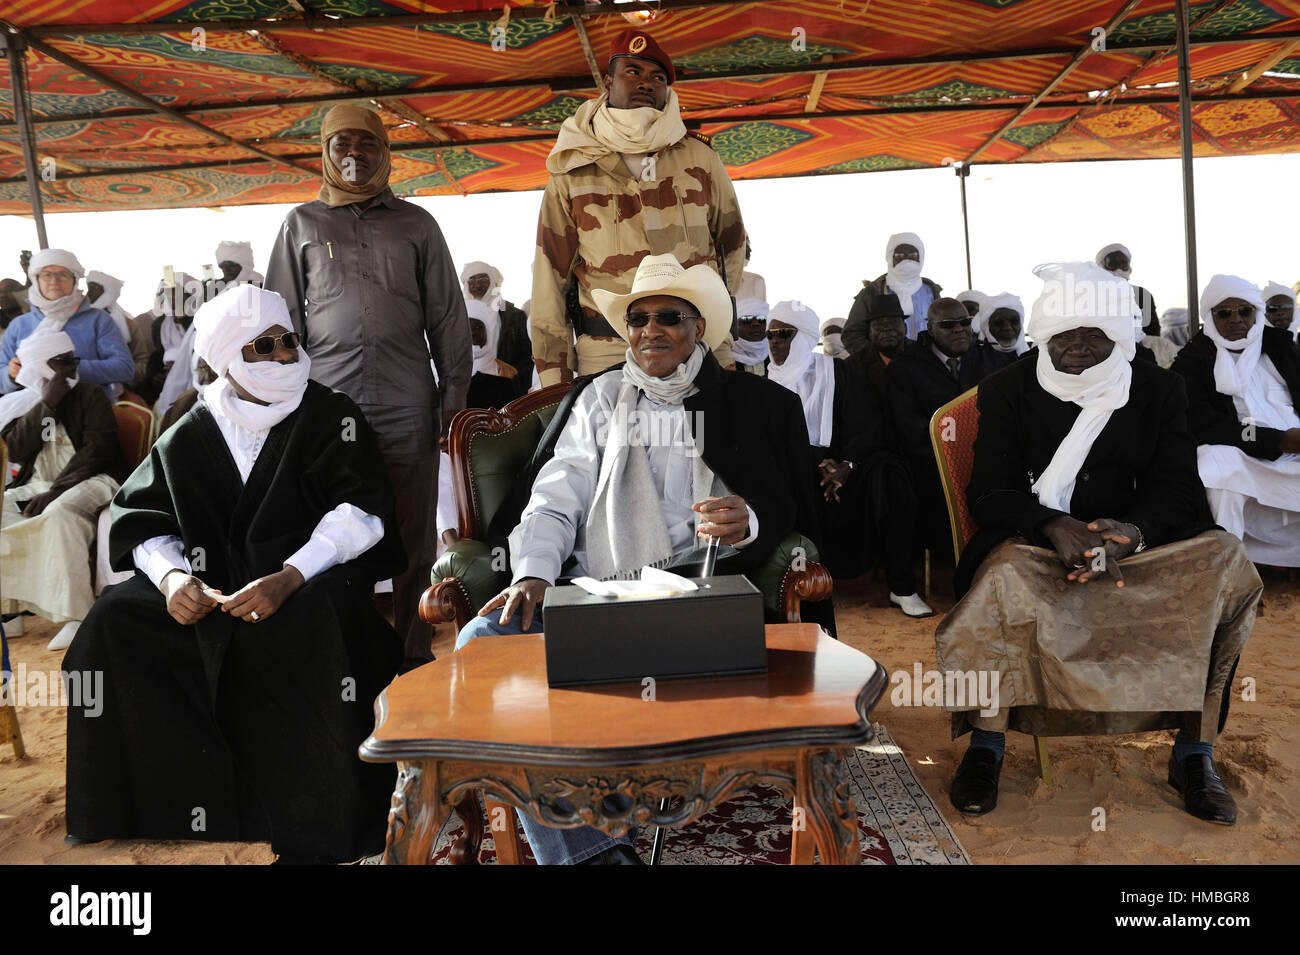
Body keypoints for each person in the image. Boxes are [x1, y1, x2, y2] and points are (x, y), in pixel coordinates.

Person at [456, 254, 820, 864]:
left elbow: (786, 503)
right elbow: (554, 498)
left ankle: (594, 841)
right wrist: (533, 574)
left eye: (669, 317)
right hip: (589, 591)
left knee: (612, 670)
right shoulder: (597, 399)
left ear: (698, 328)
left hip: (689, 597)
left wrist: (749, 520)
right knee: (482, 644)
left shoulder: (754, 405)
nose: (651, 330)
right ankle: (596, 850)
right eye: (638, 318)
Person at [64, 284, 405, 864]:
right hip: (214, 587)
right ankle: (126, 806)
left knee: (324, 617)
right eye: (263, 346)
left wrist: (290, 576)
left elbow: (361, 513)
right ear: (227, 358)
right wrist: (174, 580)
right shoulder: (190, 429)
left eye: (288, 340)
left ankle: (327, 812)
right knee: (113, 619)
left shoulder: (333, 415)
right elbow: (141, 517)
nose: (284, 355)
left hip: (307, 581)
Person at [937, 261, 1259, 826]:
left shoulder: (1160, 388)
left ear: (1120, 337)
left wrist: (1132, 532)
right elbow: (989, 491)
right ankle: (985, 746)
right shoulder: (1007, 388)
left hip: (1138, 546)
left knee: (1224, 561)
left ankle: (1194, 753)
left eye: (1095, 334)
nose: (1079, 346)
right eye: (1066, 333)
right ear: (1044, 333)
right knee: (1000, 577)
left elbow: (1179, 488)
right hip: (1035, 545)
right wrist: (1050, 524)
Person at [264, 102, 471, 667]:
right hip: (328, 408)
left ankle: (411, 655)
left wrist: (452, 405)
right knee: (331, 528)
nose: (355, 154)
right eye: (343, 144)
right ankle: (344, 656)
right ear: (325, 153)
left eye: (368, 143)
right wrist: (283, 406)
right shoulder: (301, 224)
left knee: (412, 535)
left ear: (386, 153)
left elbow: (447, 319)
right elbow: (281, 323)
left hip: (408, 405)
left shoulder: (417, 224)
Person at [530, 28, 746, 386]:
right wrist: (554, 375)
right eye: (633, 72)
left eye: (657, 77)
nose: (646, 83)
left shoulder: (700, 157)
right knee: (615, 427)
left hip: (695, 346)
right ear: (607, 82)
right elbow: (549, 278)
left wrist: (711, 321)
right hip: (608, 352)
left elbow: (732, 245)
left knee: (703, 425)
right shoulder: (573, 167)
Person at [767, 300, 932, 617]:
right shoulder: (764, 382)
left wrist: (847, 465)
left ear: (803, 337)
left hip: (843, 468)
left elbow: (866, 427)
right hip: (791, 472)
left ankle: (902, 587)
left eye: (784, 334)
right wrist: (813, 462)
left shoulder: (839, 371)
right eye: (771, 334)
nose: (775, 342)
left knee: (891, 474)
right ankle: (792, 586)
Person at [1, 331, 128, 650]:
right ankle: (8, 612)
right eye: (62, 362)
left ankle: (78, 617)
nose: (72, 367)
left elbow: (98, 451)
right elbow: (15, 449)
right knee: (2, 509)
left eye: (73, 360)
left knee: (59, 514)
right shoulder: (27, 402)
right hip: (42, 484)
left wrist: (56, 491)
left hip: (96, 479)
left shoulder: (90, 395)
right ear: (40, 366)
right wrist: (47, 403)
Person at [1170, 275, 1300, 567]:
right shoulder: (1193, 360)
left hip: (1295, 450)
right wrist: (1277, 440)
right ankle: (1228, 568)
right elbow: (1204, 425)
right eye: (1224, 313)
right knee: (1214, 463)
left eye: (1244, 311)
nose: (1236, 320)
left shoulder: (1282, 349)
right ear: (1210, 317)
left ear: (1256, 312)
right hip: (1244, 454)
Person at [885, 296, 1004, 553]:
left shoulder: (991, 360)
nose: (959, 329)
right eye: (948, 325)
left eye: (964, 322)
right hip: (934, 466)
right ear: (930, 329)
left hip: (990, 459)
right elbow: (910, 430)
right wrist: (952, 460)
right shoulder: (905, 369)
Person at [2, 249, 133, 397]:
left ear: (74, 280)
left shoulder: (98, 320)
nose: (54, 281)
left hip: (88, 407)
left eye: (63, 275)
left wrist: (70, 368)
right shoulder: (19, 325)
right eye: (47, 275)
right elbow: (1, 380)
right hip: (31, 409)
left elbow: (124, 368)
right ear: (36, 280)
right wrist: (11, 374)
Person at [843, 233, 943, 352]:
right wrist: (879, 358)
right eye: (900, 255)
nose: (906, 260)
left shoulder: (931, 291)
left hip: (928, 361)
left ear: (921, 257)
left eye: (912, 255)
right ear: (890, 257)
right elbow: (852, 335)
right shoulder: (872, 292)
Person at [461, 261, 531, 398]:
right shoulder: (457, 316)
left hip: (507, 386)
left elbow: (526, 357)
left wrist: (514, 381)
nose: (477, 284)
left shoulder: (514, 316)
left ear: (493, 282)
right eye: (472, 280)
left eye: (483, 279)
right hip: (466, 387)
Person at [138, 272, 203, 408]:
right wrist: (156, 375)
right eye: (166, 292)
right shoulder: (160, 325)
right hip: (171, 383)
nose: (170, 296)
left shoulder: (202, 319)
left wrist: (182, 365)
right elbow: (159, 354)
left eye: (175, 291)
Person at [86, 270, 151, 392]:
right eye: (89, 287)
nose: (89, 293)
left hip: (120, 390)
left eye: (95, 288)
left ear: (108, 292)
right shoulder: (77, 321)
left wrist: (117, 372)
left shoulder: (129, 325)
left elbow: (142, 363)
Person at [1096, 243, 1158, 335]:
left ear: (1129, 267)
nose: (1119, 268)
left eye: (1123, 263)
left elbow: (1153, 331)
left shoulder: (1142, 295)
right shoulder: (1094, 296)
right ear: (1102, 268)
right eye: (1113, 264)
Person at [731, 296, 769, 375]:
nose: (756, 324)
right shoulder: (724, 356)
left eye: (761, 319)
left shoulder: (778, 355)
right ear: (735, 324)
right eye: (747, 319)